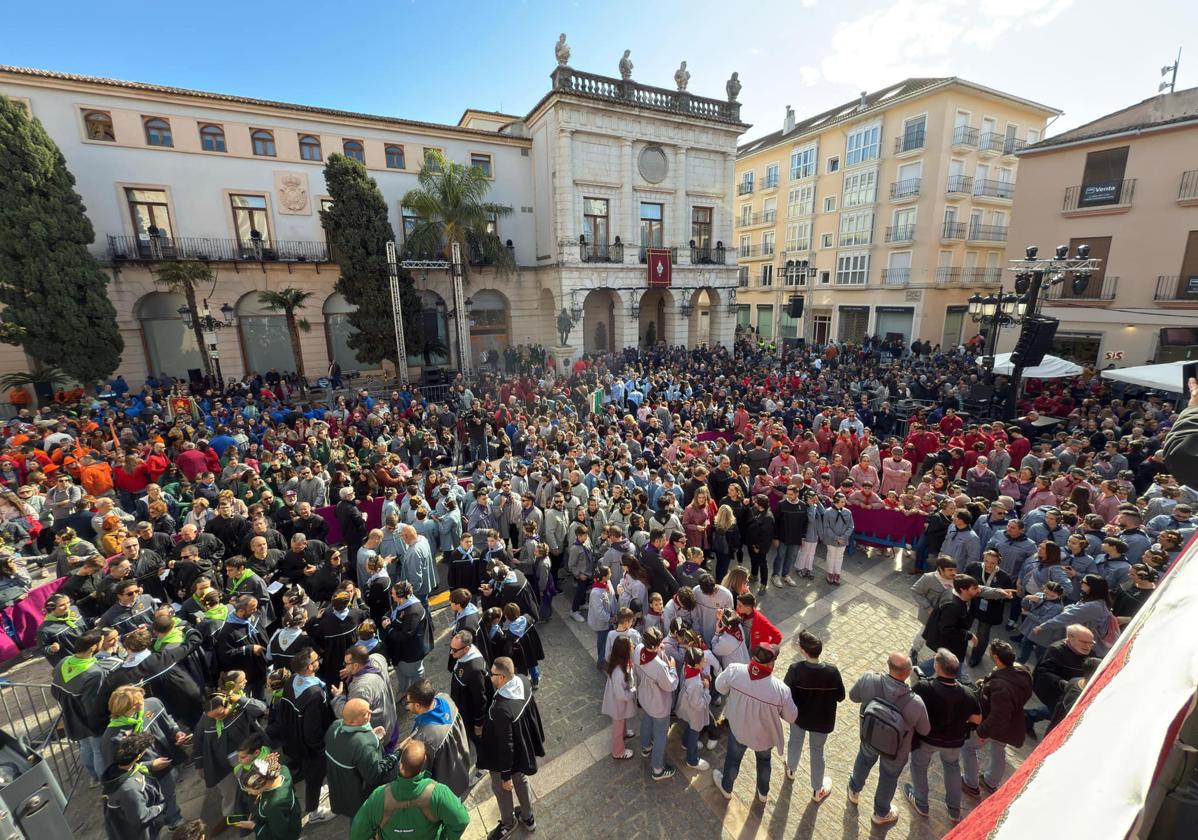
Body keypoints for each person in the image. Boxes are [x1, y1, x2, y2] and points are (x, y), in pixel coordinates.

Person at [846, 652, 930, 827]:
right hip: (896, 751)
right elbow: (925, 730)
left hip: (869, 737)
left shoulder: (869, 679)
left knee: (863, 759)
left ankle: (854, 790)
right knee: (889, 778)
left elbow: (853, 697)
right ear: (908, 673)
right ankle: (881, 812)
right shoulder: (916, 702)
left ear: (888, 666)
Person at [711, 642, 797, 802]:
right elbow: (791, 717)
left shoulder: (735, 670)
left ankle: (727, 787)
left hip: (738, 729)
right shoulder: (781, 690)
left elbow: (719, 687)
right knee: (764, 762)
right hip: (763, 737)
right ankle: (763, 793)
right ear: (771, 663)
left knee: (733, 759)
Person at [903, 648, 979, 824]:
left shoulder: (924, 687)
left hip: (926, 738)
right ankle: (954, 811)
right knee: (952, 768)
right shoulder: (967, 693)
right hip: (953, 742)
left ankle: (921, 803)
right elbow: (977, 719)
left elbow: (910, 707)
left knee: (919, 766)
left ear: (937, 667)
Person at [475, 656, 545, 840]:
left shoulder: (500, 709)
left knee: (502, 789)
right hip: (522, 750)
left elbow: (505, 744)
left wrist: (505, 775)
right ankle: (528, 817)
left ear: (502, 678)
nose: (489, 677)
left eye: (492, 674)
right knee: (521, 779)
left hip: (504, 759)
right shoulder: (523, 681)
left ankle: (508, 823)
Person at [348, 739, 471, 840]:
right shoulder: (439, 793)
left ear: (401, 765)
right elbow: (461, 820)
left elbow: (357, 833)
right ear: (423, 765)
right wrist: (445, 837)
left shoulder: (379, 796)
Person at [267, 646, 334, 825]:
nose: (318, 660)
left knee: (311, 774)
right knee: (314, 778)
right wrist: (321, 749)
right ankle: (314, 812)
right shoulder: (315, 694)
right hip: (312, 748)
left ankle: (319, 791)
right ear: (309, 668)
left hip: (295, 741)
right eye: (315, 659)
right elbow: (312, 730)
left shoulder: (292, 682)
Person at [50, 627, 121, 787]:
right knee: (98, 751)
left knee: (85, 747)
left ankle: (93, 777)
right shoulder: (94, 672)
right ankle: (106, 781)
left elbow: (54, 690)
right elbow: (93, 703)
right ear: (93, 648)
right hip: (89, 719)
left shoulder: (63, 661)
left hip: (70, 715)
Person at [962, 639, 1033, 796]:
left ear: (995, 658)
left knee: (968, 748)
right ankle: (991, 782)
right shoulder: (1023, 672)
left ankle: (971, 784)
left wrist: (981, 732)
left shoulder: (1000, 687)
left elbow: (998, 716)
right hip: (1012, 724)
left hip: (996, 726)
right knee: (998, 749)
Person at [783, 630, 844, 802]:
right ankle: (817, 790)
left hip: (799, 718)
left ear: (802, 651)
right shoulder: (832, 672)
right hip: (821, 721)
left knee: (795, 741)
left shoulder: (795, 670)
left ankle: (791, 769)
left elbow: (786, 693)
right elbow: (841, 696)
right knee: (817, 752)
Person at [324, 696, 398, 819]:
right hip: (359, 800)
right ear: (352, 722)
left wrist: (371, 735)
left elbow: (348, 747)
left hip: (340, 792)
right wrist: (397, 754)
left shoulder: (334, 727)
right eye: (365, 714)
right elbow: (376, 775)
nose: (370, 713)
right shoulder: (364, 745)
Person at [403, 679, 476, 799]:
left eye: (408, 702)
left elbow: (422, 772)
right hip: (461, 763)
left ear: (417, 705)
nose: (407, 705)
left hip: (447, 784)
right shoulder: (445, 698)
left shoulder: (424, 737)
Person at [1026, 624, 1097, 740]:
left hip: (1073, 692)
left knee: (1058, 712)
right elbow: (1044, 672)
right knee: (1057, 712)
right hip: (1056, 691)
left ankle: (1029, 716)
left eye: (1091, 643)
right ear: (1070, 637)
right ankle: (1029, 716)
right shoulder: (1056, 650)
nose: (1088, 646)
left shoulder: (1091, 654)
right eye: (1084, 642)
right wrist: (1064, 684)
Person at [102, 732, 169, 840]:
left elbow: (134, 768)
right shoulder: (129, 789)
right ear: (139, 756)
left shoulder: (114, 771)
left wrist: (149, 765)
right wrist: (161, 807)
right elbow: (141, 818)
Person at [633, 626, 678, 781]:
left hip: (644, 698)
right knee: (660, 735)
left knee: (646, 720)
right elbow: (671, 685)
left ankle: (645, 747)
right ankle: (657, 769)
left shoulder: (638, 649)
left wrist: (658, 651)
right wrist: (672, 669)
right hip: (659, 705)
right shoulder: (660, 666)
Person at [333, 644, 400, 747]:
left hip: (380, 733)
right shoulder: (377, 658)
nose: (344, 666)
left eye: (346, 664)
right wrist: (351, 671)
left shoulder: (361, 689)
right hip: (391, 720)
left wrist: (338, 697)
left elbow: (349, 714)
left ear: (356, 665)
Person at [234, 753, 302, 840]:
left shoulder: (273, 806)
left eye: (249, 790)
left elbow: (279, 835)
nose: (249, 793)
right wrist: (269, 765)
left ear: (260, 785)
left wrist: (254, 826)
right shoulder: (283, 771)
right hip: (293, 818)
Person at [601, 635, 638, 761]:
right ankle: (618, 751)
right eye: (631, 646)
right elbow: (621, 695)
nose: (633, 647)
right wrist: (633, 692)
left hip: (619, 704)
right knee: (617, 727)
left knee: (621, 721)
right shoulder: (618, 672)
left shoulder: (617, 661)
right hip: (618, 704)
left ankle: (624, 733)